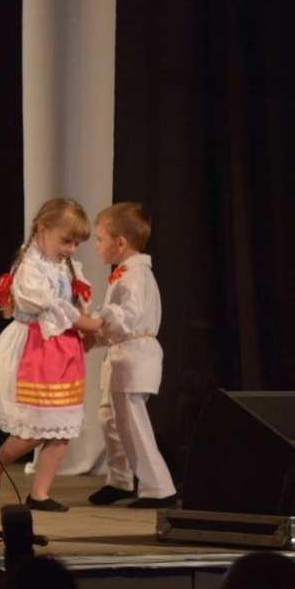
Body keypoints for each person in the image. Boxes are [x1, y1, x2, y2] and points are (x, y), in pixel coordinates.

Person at [0, 198, 104, 512]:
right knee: (33, 429)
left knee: (62, 427)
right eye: (66, 241)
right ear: (43, 229)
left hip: (64, 352)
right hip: (37, 349)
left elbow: (75, 304)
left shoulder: (68, 267)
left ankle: (39, 494)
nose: (71, 249)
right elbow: (56, 309)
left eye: (76, 244)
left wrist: (87, 329)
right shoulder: (29, 269)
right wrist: (89, 324)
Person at [88, 202, 176, 508]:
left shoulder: (135, 276)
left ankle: (159, 488)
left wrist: (97, 317)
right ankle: (120, 480)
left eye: (99, 239)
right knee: (110, 419)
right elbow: (119, 323)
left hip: (135, 356)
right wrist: (94, 337)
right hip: (122, 355)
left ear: (120, 243)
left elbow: (130, 315)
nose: (96, 246)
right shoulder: (125, 274)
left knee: (132, 423)